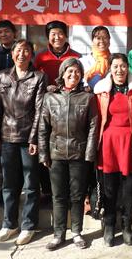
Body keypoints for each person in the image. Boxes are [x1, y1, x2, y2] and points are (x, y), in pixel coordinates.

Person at [93, 53, 132, 247]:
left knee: (129, 188)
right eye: (115, 66)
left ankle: (128, 225)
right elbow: (96, 120)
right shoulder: (102, 90)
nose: (119, 70)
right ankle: (109, 225)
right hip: (108, 143)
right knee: (109, 187)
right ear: (110, 68)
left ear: (128, 67)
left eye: (122, 66)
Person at [0, 39, 47, 246]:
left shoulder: (39, 77)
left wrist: (34, 139)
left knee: (31, 184)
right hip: (6, 137)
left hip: (27, 137)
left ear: (31, 55)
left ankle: (29, 225)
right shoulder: (3, 76)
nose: (22, 55)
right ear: (12, 54)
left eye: (26, 51)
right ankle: (9, 223)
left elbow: (40, 111)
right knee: (9, 183)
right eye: (18, 51)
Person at [38, 58, 99, 251]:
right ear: (62, 74)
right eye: (69, 72)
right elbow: (42, 128)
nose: (73, 75)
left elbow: (93, 127)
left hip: (78, 153)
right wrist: (43, 153)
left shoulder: (87, 98)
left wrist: (89, 153)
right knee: (58, 196)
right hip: (55, 153)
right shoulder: (50, 98)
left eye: (77, 72)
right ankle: (58, 234)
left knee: (77, 196)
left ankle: (77, 232)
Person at [34, 20, 80, 204]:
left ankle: (70, 193)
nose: (57, 37)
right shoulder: (40, 57)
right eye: (53, 34)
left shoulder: (76, 56)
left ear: (66, 35)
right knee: (47, 146)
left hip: (71, 109)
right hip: (48, 108)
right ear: (48, 37)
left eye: (60, 33)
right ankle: (47, 191)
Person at [0, 19, 18, 207]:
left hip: (21, 108)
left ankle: (19, 188)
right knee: (1, 155)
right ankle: (2, 191)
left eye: (7, 31)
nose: (4, 35)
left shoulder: (22, 52)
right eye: (0, 32)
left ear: (14, 33)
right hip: (2, 108)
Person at [80, 25, 112, 90]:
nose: (102, 41)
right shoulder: (83, 61)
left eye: (105, 37)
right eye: (98, 38)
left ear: (109, 39)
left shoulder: (114, 61)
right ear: (92, 40)